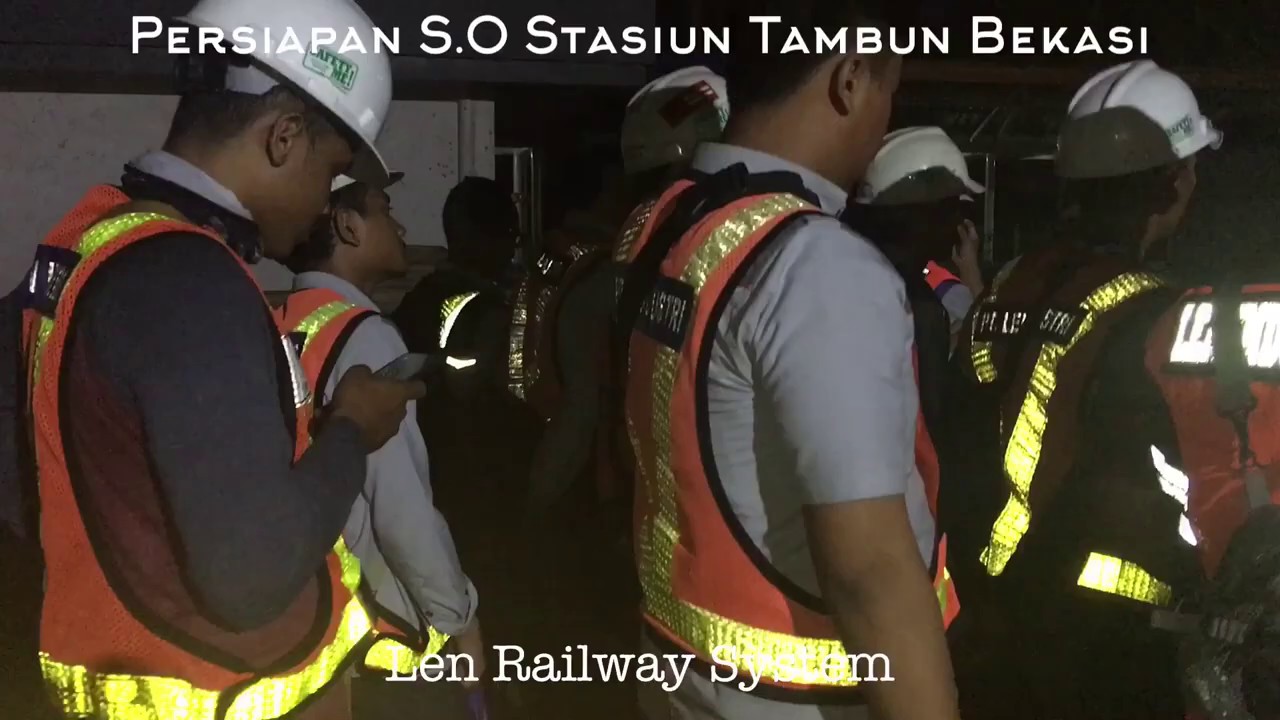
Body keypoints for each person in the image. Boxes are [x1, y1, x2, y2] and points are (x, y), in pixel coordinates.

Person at [12, 0, 426, 717]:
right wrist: (352, 431)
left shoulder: (88, 240)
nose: (326, 204)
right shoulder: (188, 281)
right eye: (329, 170)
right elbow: (252, 576)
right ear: (284, 136)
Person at [613, 3, 961, 718]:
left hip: (681, 673)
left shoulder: (664, 224)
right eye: (890, 88)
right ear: (851, 78)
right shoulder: (820, 266)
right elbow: (869, 571)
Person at [948, 59, 1221, 719]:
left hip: (982, 613)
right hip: (1105, 641)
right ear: (1175, 180)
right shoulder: (1160, 311)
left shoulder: (1005, 283)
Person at [277, 172, 486, 719]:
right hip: (386, 638)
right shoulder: (364, 336)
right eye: (384, 208)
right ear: (347, 226)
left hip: (318, 628)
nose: (399, 224)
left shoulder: (286, 321)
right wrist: (459, 621)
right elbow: (401, 511)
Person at [522, 66, 729, 517]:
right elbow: (584, 405)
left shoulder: (592, 253)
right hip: (629, 490)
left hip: (628, 481)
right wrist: (536, 509)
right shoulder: (617, 261)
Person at [843, 126, 985, 438]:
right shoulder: (921, 309)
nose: (958, 223)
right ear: (928, 217)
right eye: (953, 211)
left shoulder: (847, 276)